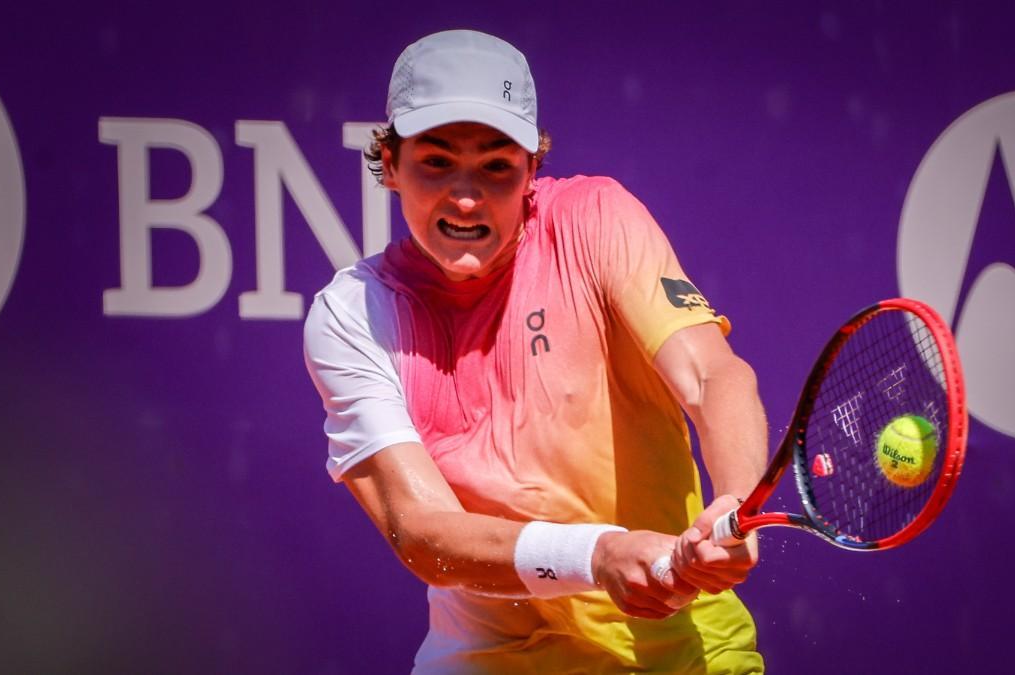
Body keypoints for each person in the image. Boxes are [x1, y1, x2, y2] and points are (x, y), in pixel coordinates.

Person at [304, 29, 768, 673]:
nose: (465, 197)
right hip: (488, 658)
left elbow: (711, 373)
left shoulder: (594, 219)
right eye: (436, 161)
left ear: (531, 169)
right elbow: (423, 532)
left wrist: (735, 508)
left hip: (683, 654)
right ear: (390, 161)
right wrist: (599, 554)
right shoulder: (352, 313)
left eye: (496, 165)